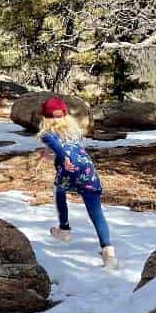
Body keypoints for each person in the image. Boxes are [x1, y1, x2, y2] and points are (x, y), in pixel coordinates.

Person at [36, 96, 117, 269]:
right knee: (96, 212)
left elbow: (59, 149)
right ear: (65, 116)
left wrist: (63, 158)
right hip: (87, 170)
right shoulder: (74, 132)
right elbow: (69, 151)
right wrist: (51, 156)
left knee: (59, 191)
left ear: (45, 117)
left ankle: (64, 229)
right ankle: (108, 252)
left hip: (69, 169)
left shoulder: (47, 135)